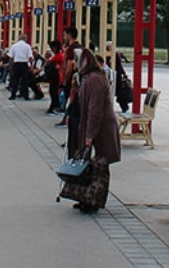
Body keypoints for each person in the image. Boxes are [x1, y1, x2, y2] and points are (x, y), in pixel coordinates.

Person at [71, 46, 121, 213]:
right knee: (91, 164)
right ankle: (86, 197)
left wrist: (89, 135)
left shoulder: (94, 80)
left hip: (102, 127)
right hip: (95, 125)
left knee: (99, 165)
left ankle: (93, 199)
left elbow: (95, 110)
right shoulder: (90, 78)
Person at [7, 32, 34, 100]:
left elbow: (10, 57)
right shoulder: (27, 46)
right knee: (25, 81)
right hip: (24, 64)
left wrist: (11, 65)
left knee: (15, 80)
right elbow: (30, 57)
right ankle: (26, 96)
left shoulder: (14, 46)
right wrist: (31, 66)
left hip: (16, 64)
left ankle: (13, 95)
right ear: (25, 39)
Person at [43, 40, 63, 115]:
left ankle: (55, 107)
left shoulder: (58, 56)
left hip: (56, 77)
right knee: (52, 92)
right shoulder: (57, 55)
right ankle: (54, 107)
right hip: (54, 77)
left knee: (54, 92)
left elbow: (57, 66)